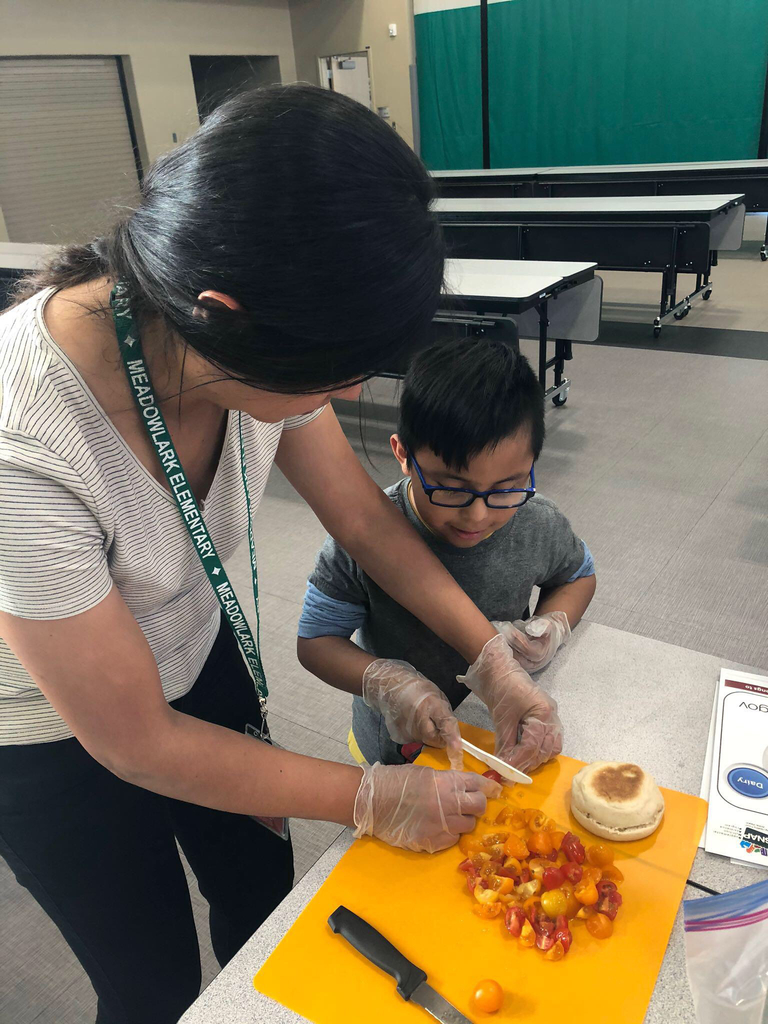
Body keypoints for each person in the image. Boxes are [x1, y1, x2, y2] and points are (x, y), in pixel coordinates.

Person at [0, 84, 531, 1024]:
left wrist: (489, 655)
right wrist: (370, 795)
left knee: (262, 895)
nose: (351, 388)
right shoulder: (24, 444)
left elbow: (366, 524)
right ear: (225, 315)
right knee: (150, 977)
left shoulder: (241, 334)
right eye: (336, 374)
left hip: (195, 651)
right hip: (54, 737)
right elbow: (133, 741)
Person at [297, 337, 596, 768]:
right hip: (395, 746)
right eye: (451, 488)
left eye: (507, 487)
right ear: (402, 454)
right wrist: (386, 684)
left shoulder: (537, 522)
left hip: (494, 730)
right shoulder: (360, 535)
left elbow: (578, 575)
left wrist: (553, 626)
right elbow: (316, 642)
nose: (477, 515)